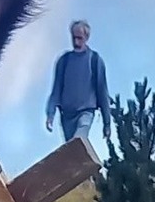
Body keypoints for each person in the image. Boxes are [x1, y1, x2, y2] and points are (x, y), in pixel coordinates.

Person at [45, 19, 112, 147]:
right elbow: (56, 90)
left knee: (78, 141)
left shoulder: (95, 60)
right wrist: (50, 114)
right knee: (71, 149)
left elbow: (102, 92)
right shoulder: (63, 61)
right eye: (74, 38)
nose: (76, 42)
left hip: (86, 112)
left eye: (79, 38)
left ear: (86, 37)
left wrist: (107, 123)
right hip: (67, 115)